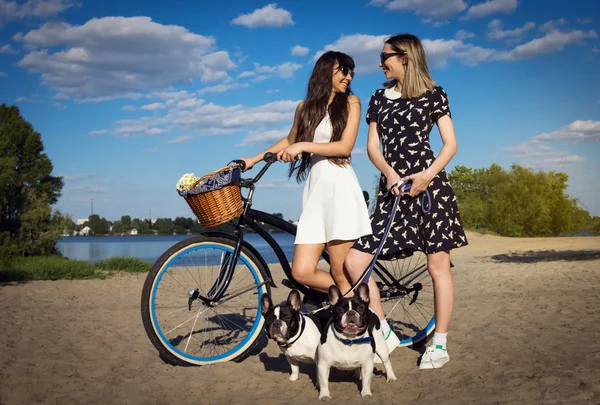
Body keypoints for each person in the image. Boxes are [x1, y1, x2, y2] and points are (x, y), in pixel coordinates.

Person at [343, 34, 468, 368]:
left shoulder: (434, 94)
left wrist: (426, 176)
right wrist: (388, 172)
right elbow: (372, 147)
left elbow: (450, 144)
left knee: (437, 267)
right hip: (393, 192)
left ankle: (439, 344)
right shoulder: (378, 98)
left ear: (405, 57)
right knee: (356, 261)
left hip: (431, 190)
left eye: (385, 56)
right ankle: (384, 331)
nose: (380, 62)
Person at [240, 51, 371, 296]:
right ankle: (345, 299)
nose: (349, 76)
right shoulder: (304, 108)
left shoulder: (351, 103)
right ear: (326, 72)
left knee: (341, 272)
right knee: (301, 272)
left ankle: (356, 323)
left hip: (340, 188)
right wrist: (254, 159)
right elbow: (289, 140)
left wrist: (303, 146)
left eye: (351, 72)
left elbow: (344, 147)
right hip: (315, 193)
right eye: (344, 70)